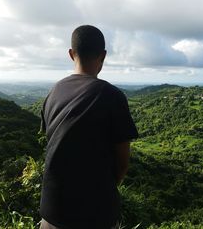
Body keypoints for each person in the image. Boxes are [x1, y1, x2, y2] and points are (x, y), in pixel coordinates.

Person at [39, 25, 138, 229]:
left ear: (70, 54)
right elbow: (122, 163)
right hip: (94, 213)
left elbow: (54, 145)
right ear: (103, 55)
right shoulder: (111, 96)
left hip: (52, 210)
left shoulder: (54, 92)